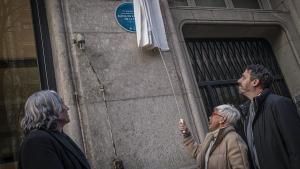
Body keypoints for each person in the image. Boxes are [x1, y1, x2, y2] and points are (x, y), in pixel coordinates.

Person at [237, 64, 300, 169]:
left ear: (255, 82)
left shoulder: (279, 104)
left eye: (243, 77)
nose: (239, 80)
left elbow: (296, 149)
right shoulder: (248, 114)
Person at [18, 90, 91, 169]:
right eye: (62, 103)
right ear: (48, 109)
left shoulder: (57, 136)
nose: (67, 108)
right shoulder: (36, 141)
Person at [179, 104, 249, 169]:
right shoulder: (210, 137)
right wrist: (186, 134)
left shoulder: (233, 139)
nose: (210, 117)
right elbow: (198, 153)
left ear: (222, 119)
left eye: (213, 114)